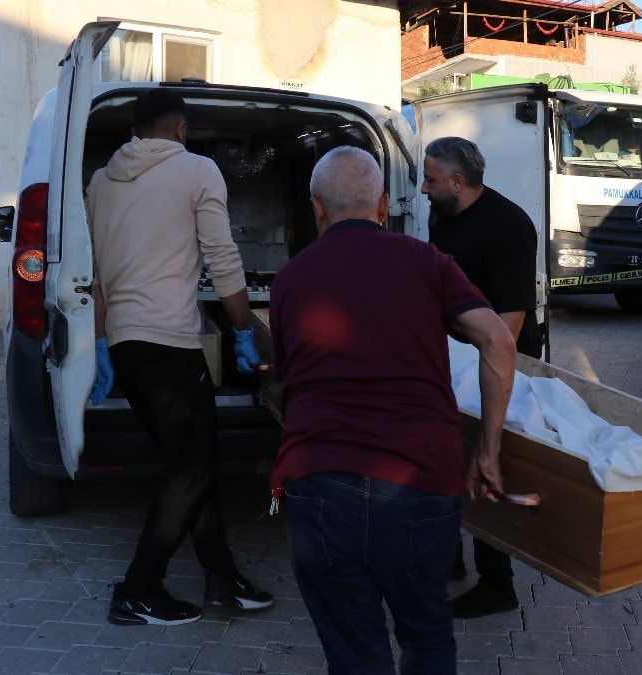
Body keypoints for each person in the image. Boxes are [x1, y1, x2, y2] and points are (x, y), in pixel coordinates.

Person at [268, 145, 516, 673]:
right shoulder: (428, 262)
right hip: (419, 483)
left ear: (317, 209)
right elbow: (498, 341)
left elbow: (288, 379)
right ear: (384, 206)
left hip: (322, 486)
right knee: (426, 637)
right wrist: (488, 451)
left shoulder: (289, 279)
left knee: (355, 654)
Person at [86, 88, 274, 626]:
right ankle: (137, 590)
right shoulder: (198, 170)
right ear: (181, 130)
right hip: (170, 345)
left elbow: (95, 272)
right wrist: (244, 330)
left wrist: (100, 341)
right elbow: (223, 258)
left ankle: (223, 580)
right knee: (188, 470)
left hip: (126, 345)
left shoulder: (100, 182)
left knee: (194, 465)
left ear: (134, 132)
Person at [420, 136, 540, 619]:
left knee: (487, 456)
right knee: (446, 455)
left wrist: (477, 375)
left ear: (457, 182)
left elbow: (509, 324)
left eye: (430, 180)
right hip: (453, 358)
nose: (423, 189)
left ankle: (497, 584)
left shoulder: (509, 226)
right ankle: (449, 556)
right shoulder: (442, 213)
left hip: (497, 361)